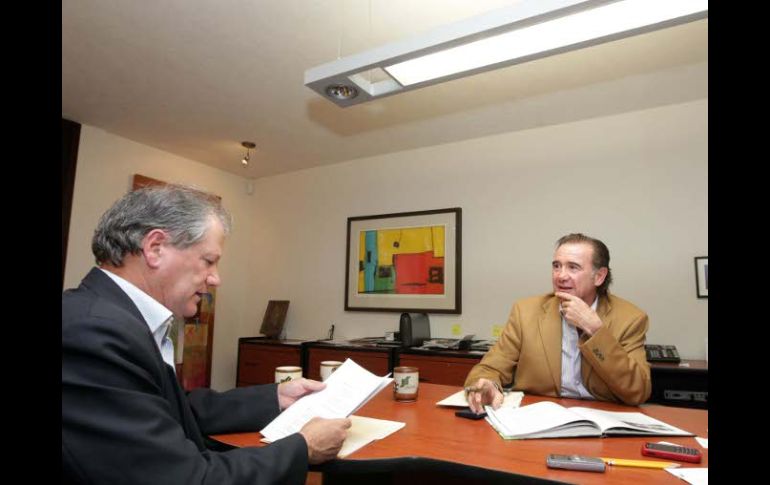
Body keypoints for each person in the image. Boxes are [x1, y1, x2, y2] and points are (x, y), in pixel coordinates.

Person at [62, 184, 351, 484]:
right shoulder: (91, 334)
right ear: (155, 248)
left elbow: (175, 409)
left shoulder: (113, 318)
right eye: (209, 261)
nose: (216, 279)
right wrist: (304, 448)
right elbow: (186, 478)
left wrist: (276, 397)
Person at [465, 233, 651, 412]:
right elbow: (489, 368)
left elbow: (637, 391)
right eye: (556, 266)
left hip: (602, 424)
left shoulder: (630, 319)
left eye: (573, 267)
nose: (561, 276)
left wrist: (596, 331)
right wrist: (487, 384)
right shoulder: (526, 312)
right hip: (538, 418)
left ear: (599, 276)